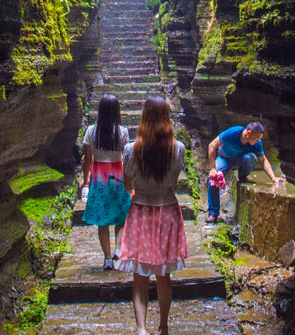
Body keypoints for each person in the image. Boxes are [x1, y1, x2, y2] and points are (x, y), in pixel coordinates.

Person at [117, 96, 188, 335]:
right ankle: (164, 326)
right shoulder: (177, 149)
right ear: (167, 117)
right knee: (163, 273)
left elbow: (128, 187)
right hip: (167, 209)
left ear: (143, 117)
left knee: (139, 274)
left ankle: (141, 328)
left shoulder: (130, 150)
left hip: (140, 211)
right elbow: (174, 183)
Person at [80, 94, 130, 268]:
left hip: (99, 176)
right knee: (121, 217)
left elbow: (88, 159)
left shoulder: (91, 131)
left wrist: (85, 179)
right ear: (117, 111)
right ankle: (118, 250)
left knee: (102, 221)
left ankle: (108, 258)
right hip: (118, 175)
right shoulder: (122, 132)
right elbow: (126, 157)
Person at [204, 120, 284, 224]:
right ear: (248, 133)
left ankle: (242, 176)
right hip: (224, 159)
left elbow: (263, 160)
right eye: (257, 138)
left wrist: (273, 178)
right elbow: (212, 145)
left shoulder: (257, 144)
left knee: (252, 158)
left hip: (239, 160)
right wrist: (213, 169)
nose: (258, 140)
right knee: (213, 180)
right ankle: (213, 213)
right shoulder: (233, 132)